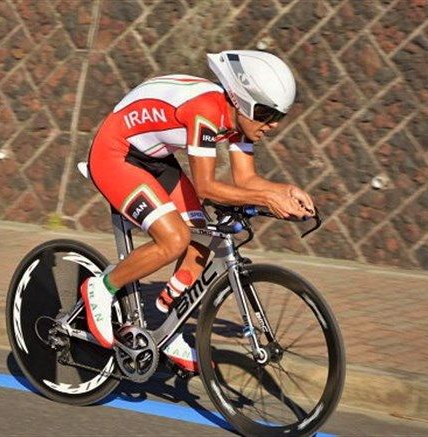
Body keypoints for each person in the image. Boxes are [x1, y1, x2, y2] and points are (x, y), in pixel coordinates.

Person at [81, 50, 315, 373]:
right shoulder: (205, 111)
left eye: (278, 116)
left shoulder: (239, 123)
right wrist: (266, 201)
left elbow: (246, 180)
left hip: (154, 157)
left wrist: (284, 191)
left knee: (203, 238)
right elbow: (205, 187)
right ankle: (102, 286)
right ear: (242, 100)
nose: (271, 124)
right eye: (264, 113)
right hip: (115, 153)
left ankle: (166, 327)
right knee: (175, 239)